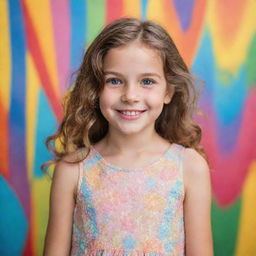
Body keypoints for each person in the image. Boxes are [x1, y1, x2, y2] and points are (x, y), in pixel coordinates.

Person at [42, 17, 213, 256]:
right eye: (114, 81)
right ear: (95, 89)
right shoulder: (73, 170)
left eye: (147, 81)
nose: (130, 95)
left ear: (168, 91)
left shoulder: (190, 167)